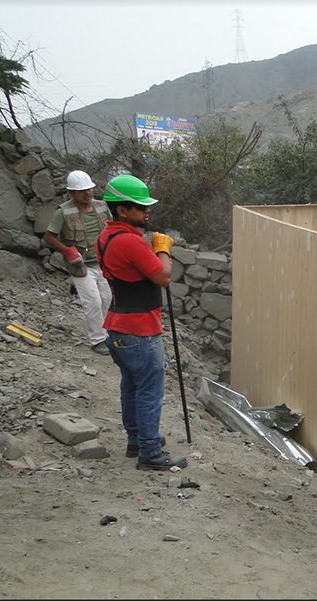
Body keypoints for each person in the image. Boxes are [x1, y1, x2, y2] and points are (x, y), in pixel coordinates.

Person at [97, 174, 187, 471]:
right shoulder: (129, 242)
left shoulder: (106, 237)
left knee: (132, 386)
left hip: (117, 326)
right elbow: (163, 277)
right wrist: (162, 249)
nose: (147, 211)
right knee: (149, 390)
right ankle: (150, 453)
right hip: (140, 331)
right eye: (140, 206)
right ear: (122, 210)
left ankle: (136, 440)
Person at [43, 171, 112, 355]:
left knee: (108, 298)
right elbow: (49, 237)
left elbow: (112, 229)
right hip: (81, 266)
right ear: (71, 193)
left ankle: (109, 335)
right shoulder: (63, 212)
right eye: (81, 191)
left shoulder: (102, 207)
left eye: (89, 189)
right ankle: (98, 340)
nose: (87, 194)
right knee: (94, 301)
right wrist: (66, 250)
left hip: (103, 262)